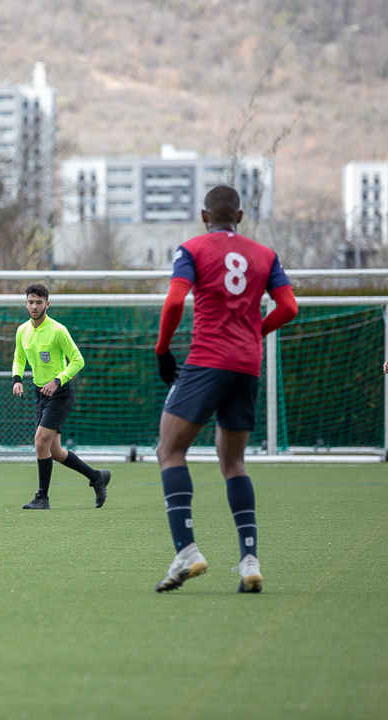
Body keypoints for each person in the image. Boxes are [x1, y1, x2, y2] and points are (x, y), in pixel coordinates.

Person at [153, 185, 298, 593]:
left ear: (204, 216)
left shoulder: (193, 249)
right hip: (247, 365)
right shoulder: (264, 255)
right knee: (233, 462)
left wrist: (163, 349)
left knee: (169, 450)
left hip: (207, 359)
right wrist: (255, 331)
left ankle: (187, 552)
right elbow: (289, 307)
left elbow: (174, 303)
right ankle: (249, 560)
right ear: (241, 215)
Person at [12, 283, 110, 510]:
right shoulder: (22, 330)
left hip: (60, 393)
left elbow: (78, 360)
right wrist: (17, 379)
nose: (34, 306)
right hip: (39, 393)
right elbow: (18, 357)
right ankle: (97, 477)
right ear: (25, 303)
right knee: (53, 451)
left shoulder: (58, 330)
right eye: (31, 301)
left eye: (39, 302)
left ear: (48, 304)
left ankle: (42, 498)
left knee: (39, 443)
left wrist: (57, 381)